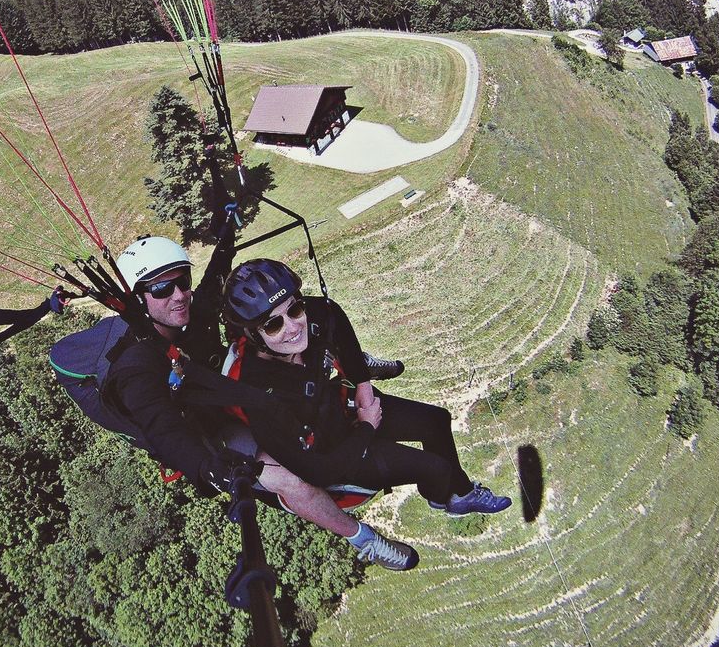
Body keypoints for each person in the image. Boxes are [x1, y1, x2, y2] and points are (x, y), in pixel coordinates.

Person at [106, 234, 421, 571]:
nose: (180, 295)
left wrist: (226, 227)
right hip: (213, 426)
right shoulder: (135, 369)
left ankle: (350, 359)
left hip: (232, 385)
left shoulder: (185, 313)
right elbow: (162, 426)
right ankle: (363, 540)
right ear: (138, 299)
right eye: (162, 290)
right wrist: (203, 465)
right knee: (289, 478)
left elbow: (213, 281)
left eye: (183, 282)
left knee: (264, 314)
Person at [221, 258, 512, 517]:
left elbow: (336, 323)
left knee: (437, 420)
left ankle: (457, 494)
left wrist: (363, 384)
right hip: (338, 453)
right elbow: (316, 472)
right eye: (274, 325)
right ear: (253, 335)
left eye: (295, 309)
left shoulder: (314, 316)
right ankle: (440, 494)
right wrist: (367, 429)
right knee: (438, 468)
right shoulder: (258, 393)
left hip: (345, 409)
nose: (294, 326)